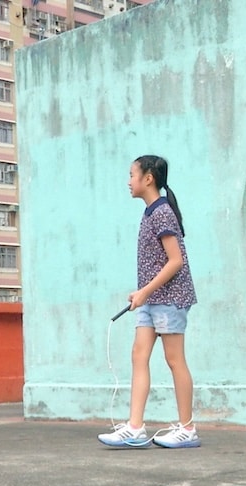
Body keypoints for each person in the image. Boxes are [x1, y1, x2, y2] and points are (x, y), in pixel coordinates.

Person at [98, 155, 200, 449]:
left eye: (131, 174)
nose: (128, 181)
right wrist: (142, 293)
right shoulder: (149, 213)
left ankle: (188, 428)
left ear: (148, 178)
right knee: (138, 355)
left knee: (174, 359)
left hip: (170, 298)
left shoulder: (162, 213)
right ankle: (134, 427)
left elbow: (176, 261)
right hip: (151, 299)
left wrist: (145, 291)